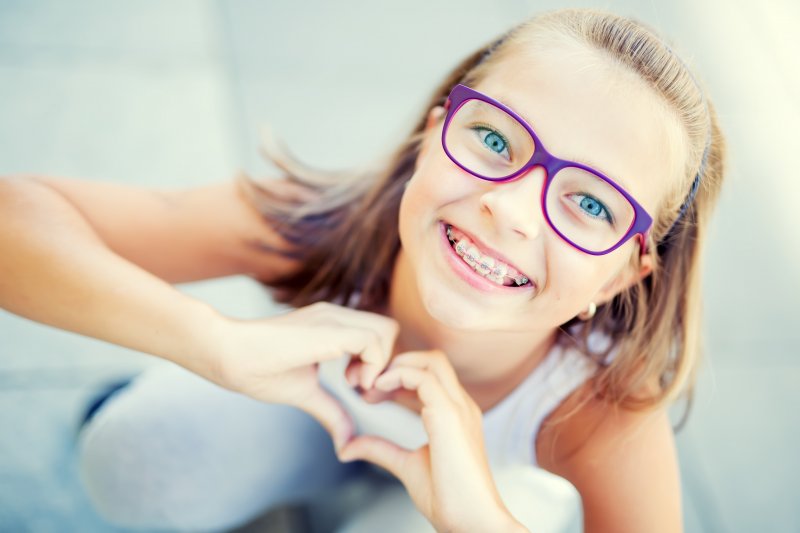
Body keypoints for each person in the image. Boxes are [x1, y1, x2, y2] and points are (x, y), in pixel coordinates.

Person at [0, 8, 726, 533]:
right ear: (432, 135)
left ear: (619, 278)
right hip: (309, 416)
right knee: (134, 455)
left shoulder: (599, 414)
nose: (511, 210)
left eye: (592, 206)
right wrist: (210, 340)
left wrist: (478, 520)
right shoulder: (323, 223)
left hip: (483, 495)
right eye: (494, 138)